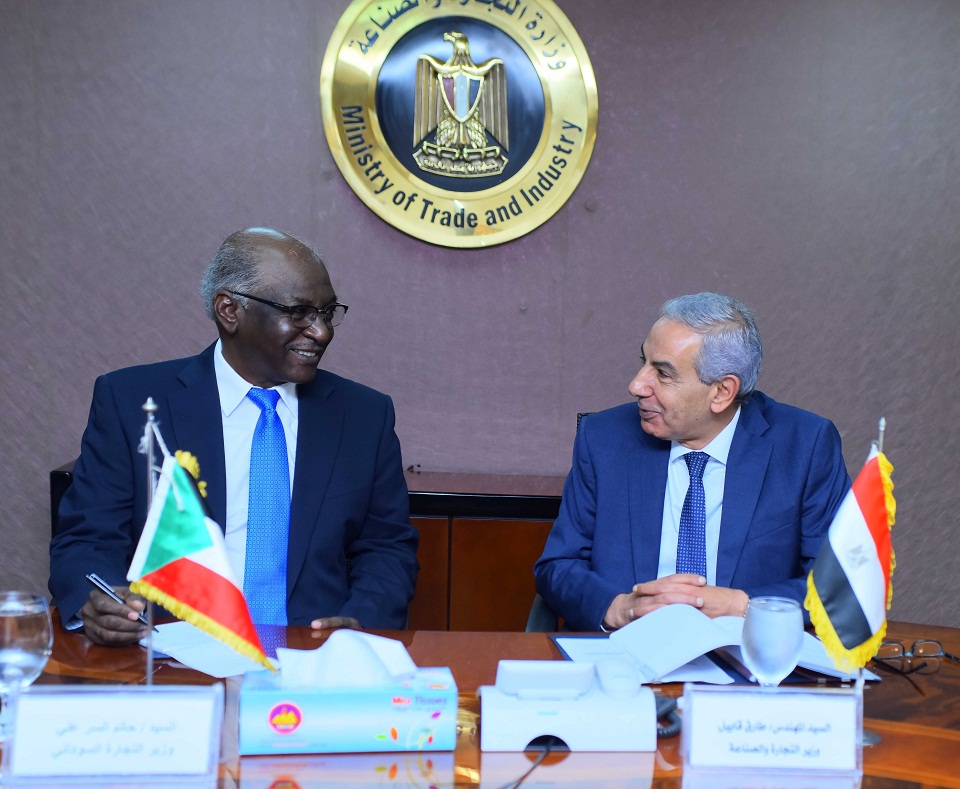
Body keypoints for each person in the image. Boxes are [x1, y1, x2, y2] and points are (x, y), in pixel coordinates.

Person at [49, 228, 419, 645]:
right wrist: (102, 603)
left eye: (327, 312)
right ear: (230, 310)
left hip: (315, 654)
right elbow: (87, 538)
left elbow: (387, 548)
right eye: (300, 312)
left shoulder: (363, 415)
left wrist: (362, 623)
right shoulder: (133, 402)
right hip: (168, 650)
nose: (322, 332)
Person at [534, 292, 850, 632]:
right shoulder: (604, 438)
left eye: (662, 373)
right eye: (643, 362)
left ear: (722, 392)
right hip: (624, 650)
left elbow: (842, 585)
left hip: (744, 652)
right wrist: (619, 608)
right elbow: (557, 566)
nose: (636, 385)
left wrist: (740, 605)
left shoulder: (805, 446)